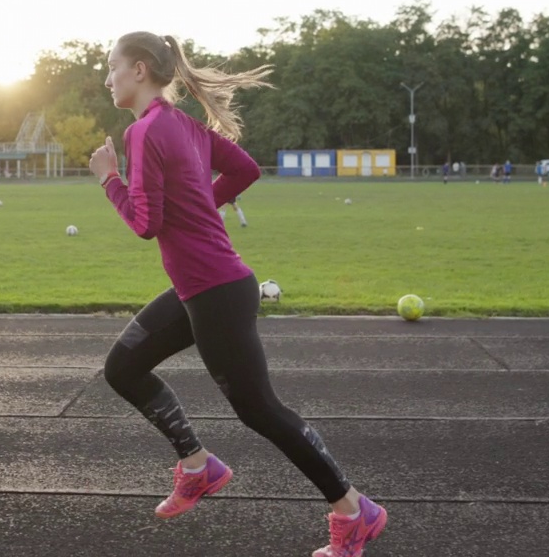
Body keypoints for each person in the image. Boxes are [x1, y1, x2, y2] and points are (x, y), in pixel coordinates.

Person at [88, 32, 386, 557]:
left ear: (138, 70)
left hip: (216, 292)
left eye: (110, 67)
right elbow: (246, 170)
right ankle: (198, 466)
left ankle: (353, 509)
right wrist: (203, 204)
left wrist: (109, 179)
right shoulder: (184, 126)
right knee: (123, 369)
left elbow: (144, 223)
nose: (106, 77)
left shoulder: (145, 131)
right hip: (202, 288)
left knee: (260, 410)